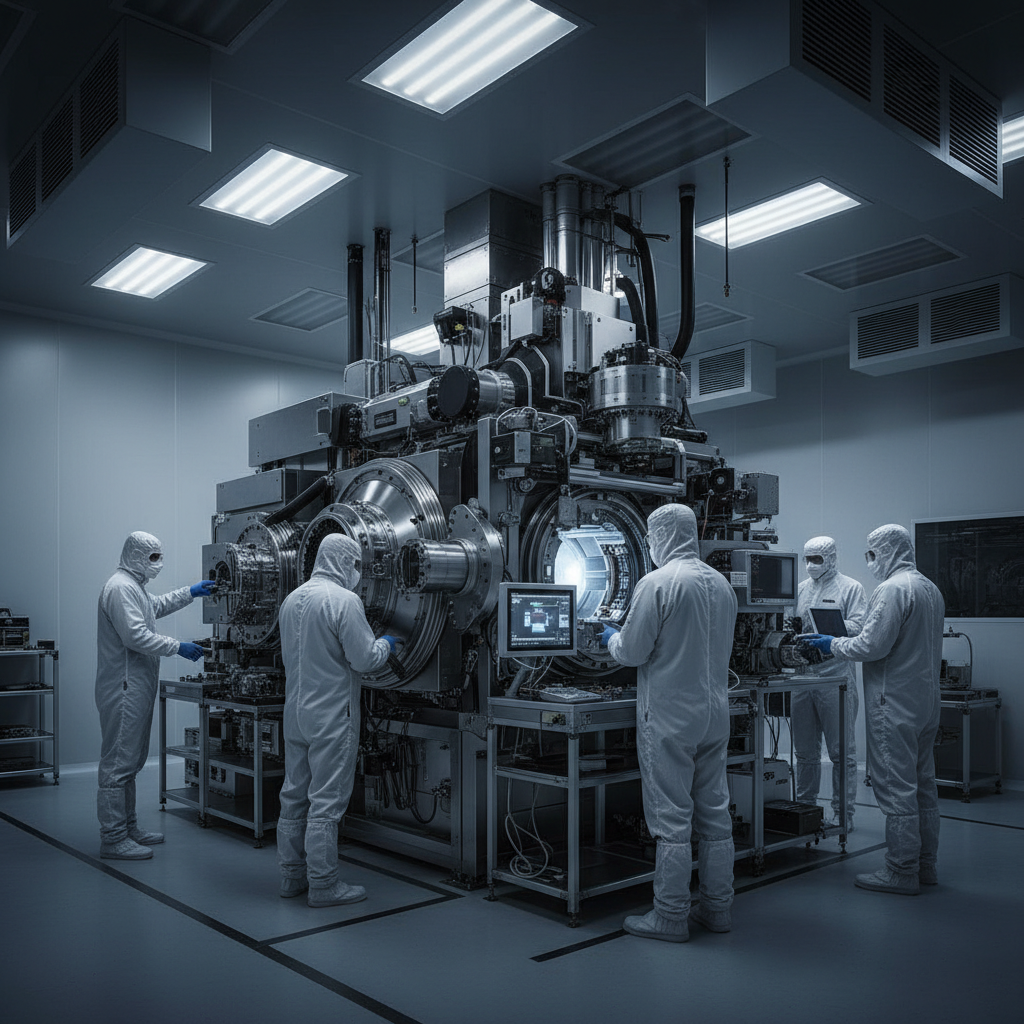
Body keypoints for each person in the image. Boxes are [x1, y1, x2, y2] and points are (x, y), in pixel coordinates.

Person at [601, 503, 738, 942]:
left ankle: (670, 915)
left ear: (659, 536)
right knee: (716, 816)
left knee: (672, 820)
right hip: (716, 712)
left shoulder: (657, 583)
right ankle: (718, 910)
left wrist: (610, 638)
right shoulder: (721, 584)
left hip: (671, 717)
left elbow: (633, 652)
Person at [803, 524, 944, 895]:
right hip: (925, 701)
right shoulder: (929, 587)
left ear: (886, 551)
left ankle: (901, 871)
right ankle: (925, 865)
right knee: (923, 785)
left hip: (893, 700)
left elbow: (870, 646)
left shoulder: (893, 589)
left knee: (896, 787)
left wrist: (831, 643)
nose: (870, 560)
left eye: (872, 553)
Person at [276, 533, 399, 908]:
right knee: (326, 802)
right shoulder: (344, 601)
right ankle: (324, 885)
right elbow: (364, 659)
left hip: (295, 712)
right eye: (357, 564)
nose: (358, 572)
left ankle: (291, 876)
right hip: (331, 715)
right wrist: (388, 643)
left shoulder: (291, 599)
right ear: (345, 561)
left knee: (293, 796)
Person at [96, 531, 214, 860]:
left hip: (134, 684)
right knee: (118, 763)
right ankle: (113, 837)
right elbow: (136, 636)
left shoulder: (133, 587)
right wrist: (179, 647)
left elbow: (154, 607)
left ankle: (127, 827)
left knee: (130, 761)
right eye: (152, 557)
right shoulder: (120, 588)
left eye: (159, 556)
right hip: (123, 687)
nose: (157, 564)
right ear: (134, 554)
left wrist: (191, 592)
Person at [792, 536, 867, 832]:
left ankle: (843, 814)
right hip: (801, 676)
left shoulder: (851, 588)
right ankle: (806, 809)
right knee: (805, 753)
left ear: (832, 558)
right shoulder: (800, 589)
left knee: (841, 753)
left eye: (817, 559)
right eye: (807, 558)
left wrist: (830, 629)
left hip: (835, 677)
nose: (811, 564)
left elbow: (860, 626)